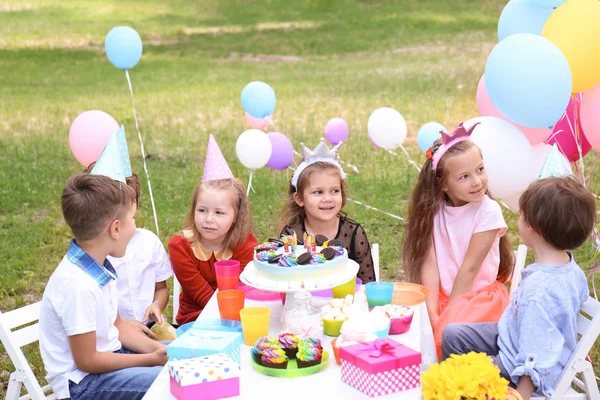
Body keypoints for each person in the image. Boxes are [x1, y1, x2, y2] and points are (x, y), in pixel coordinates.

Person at [441, 177, 594, 399]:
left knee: (458, 375)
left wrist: (520, 393)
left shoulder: (538, 291)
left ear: (533, 228)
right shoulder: (569, 267)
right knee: (453, 334)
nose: (518, 219)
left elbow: (536, 348)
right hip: (512, 334)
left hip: (515, 364)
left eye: (521, 215)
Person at [39, 173, 166, 400]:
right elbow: (87, 360)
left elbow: (118, 326)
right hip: (83, 384)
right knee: (169, 380)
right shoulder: (77, 286)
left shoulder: (99, 268)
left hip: (110, 357)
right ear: (115, 229)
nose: (135, 226)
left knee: (185, 355)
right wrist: (150, 359)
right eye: (133, 219)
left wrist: (159, 351)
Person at [402, 122, 513, 356]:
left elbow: (469, 270)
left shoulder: (487, 211)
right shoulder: (435, 211)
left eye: (480, 169)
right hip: (442, 297)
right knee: (412, 335)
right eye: (464, 176)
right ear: (443, 185)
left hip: (478, 300)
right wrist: (432, 313)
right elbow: (430, 264)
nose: (476, 181)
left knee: (447, 339)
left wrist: (447, 319)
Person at [169, 135, 257, 324]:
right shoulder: (181, 246)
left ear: (236, 216)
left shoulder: (245, 245)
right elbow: (200, 293)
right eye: (202, 210)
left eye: (219, 212)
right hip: (194, 320)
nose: (209, 219)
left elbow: (240, 290)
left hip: (236, 316)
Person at [84, 163, 173, 337]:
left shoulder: (149, 242)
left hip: (151, 329)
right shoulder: (94, 257)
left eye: (133, 216)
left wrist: (156, 305)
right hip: (113, 335)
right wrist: (122, 324)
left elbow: (161, 288)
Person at [278, 138, 375, 282]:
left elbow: (368, 283)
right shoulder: (291, 235)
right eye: (318, 192)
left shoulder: (353, 233)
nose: (328, 198)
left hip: (345, 301)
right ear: (299, 199)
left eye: (335, 191)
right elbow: (284, 281)